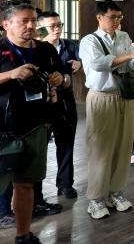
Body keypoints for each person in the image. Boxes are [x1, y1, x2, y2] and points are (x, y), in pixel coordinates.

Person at [79, 0, 134, 220]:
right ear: (99, 17)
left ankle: (116, 192)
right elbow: (99, 64)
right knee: (100, 148)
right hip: (101, 97)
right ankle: (96, 199)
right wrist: (130, 55)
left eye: (120, 17)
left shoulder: (124, 36)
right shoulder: (89, 41)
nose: (117, 21)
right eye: (112, 17)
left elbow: (130, 66)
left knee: (123, 146)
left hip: (124, 97)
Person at [0, 3, 64, 244]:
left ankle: (23, 234)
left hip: (35, 126)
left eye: (33, 21)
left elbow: (63, 77)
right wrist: (11, 74)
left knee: (25, 184)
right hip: (2, 128)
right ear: (6, 24)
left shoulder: (45, 49)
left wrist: (60, 79)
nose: (30, 25)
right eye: (23, 21)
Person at [35, 11, 80, 200]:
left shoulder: (70, 45)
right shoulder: (35, 48)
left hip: (65, 101)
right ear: (40, 28)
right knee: (39, 149)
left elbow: (80, 62)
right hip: (42, 104)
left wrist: (79, 64)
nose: (57, 29)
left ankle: (65, 184)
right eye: (52, 26)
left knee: (66, 143)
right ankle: (36, 193)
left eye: (59, 25)